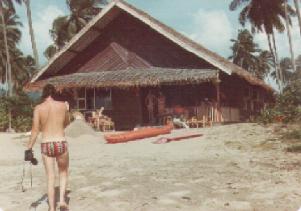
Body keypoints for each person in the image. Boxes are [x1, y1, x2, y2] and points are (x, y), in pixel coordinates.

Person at [27, 84, 70, 211]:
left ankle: (51, 208)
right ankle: (62, 201)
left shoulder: (38, 108)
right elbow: (66, 123)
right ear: (55, 94)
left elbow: (35, 130)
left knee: (50, 177)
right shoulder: (63, 106)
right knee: (63, 172)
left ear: (44, 94)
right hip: (60, 142)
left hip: (46, 144)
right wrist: (66, 111)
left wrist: (29, 148)